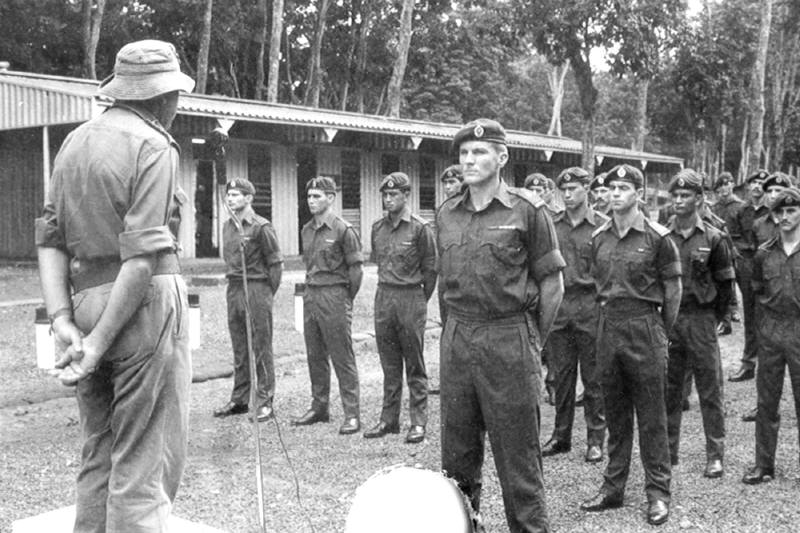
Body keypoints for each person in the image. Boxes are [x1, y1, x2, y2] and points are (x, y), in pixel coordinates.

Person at [34, 39, 194, 532]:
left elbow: (50, 237)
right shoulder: (154, 144)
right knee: (144, 458)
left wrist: (63, 320)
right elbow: (143, 258)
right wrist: (100, 342)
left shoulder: (74, 140)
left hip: (81, 299)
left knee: (98, 450)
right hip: (139, 307)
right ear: (163, 97)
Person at [437, 118, 565, 532]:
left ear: (502, 157)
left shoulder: (528, 212)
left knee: (519, 465)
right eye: (464, 153)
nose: (470, 160)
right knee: (456, 465)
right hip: (458, 340)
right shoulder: (446, 213)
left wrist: (530, 340)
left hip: (509, 338)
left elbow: (553, 285)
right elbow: (444, 284)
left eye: (480, 152)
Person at [581, 164, 682, 526]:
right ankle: (613, 489)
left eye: (624, 188)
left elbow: (673, 290)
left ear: (639, 193)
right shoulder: (599, 238)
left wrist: (659, 332)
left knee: (652, 417)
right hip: (610, 326)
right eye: (612, 188)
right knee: (616, 414)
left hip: (645, 325)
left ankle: (658, 494)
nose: (616, 194)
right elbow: (597, 286)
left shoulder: (658, 237)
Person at [663, 169, 735, 479]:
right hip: (671, 320)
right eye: (675, 196)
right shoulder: (661, 235)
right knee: (670, 390)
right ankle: (668, 450)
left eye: (685, 196)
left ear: (699, 199)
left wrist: (714, 319)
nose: (679, 201)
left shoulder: (714, 237)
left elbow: (725, 286)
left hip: (701, 318)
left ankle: (715, 455)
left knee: (710, 390)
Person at [540, 166, 607, 463]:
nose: (567, 195)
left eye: (573, 189)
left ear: (587, 191)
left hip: (591, 307)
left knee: (594, 379)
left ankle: (595, 438)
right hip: (561, 308)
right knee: (561, 378)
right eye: (563, 190)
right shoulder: (553, 225)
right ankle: (561, 435)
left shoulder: (603, 226)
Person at [364, 172, 437, 443]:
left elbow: (431, 271)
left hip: (410, 297)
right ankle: (388, 419)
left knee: (414, 363)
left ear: (407, 195)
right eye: (385, 194)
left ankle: (418, 422)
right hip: (384, 296)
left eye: (394, 194)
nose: (388, 199)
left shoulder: (420, 228)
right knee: (389, 363)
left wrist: (417, 300)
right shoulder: (377, 228)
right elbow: (378, 262)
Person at [293, 176, 364, 435]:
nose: (312, 201)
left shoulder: (343, 229)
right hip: (312, 294)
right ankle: (319, 406)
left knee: (342, 356)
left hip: (334, 295)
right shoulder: (307, 230)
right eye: (309, 196)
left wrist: (344, 299)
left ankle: (352, 414)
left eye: (317, 196)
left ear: (331, 198)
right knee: (315, 355)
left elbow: (356, 271)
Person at [742, 187, 800, 484]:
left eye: (792, 210)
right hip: (772, 331)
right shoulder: (764, 254)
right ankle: (763, 464)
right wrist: (764, 330)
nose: (786, 216)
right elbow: (756, 293)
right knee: (767, 401)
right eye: (780, 212)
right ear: (773, 216)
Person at [213, 178, 283, 422]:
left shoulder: (261, 227)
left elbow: (275, 265)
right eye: (229, 194)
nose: (230, 198)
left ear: (249, 198)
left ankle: (265, 402)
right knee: (239, 347)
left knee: (261, 346)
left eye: (236, 194)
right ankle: (240, 399)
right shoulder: (227, 227)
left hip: (256, 288)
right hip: (234, 288)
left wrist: (264, 294)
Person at [738, 172, 790, 422]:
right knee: (767, 355)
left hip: (791, 298)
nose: (773, 196)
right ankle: (765, 406)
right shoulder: (759, 224)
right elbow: (753, 258)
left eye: (779, 191)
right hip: (765, 295)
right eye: (769, 191)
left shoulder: (794, 220)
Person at [729, 170, 770, 385]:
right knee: (751, 316)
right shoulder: (741, 211)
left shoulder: (774, 211)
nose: (757, 186)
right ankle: (748, 363)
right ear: (748, 186)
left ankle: (769, 365)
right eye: (753, 182)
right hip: (748, 268)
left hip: (771, 270)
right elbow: (734, 239)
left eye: (761, 182)